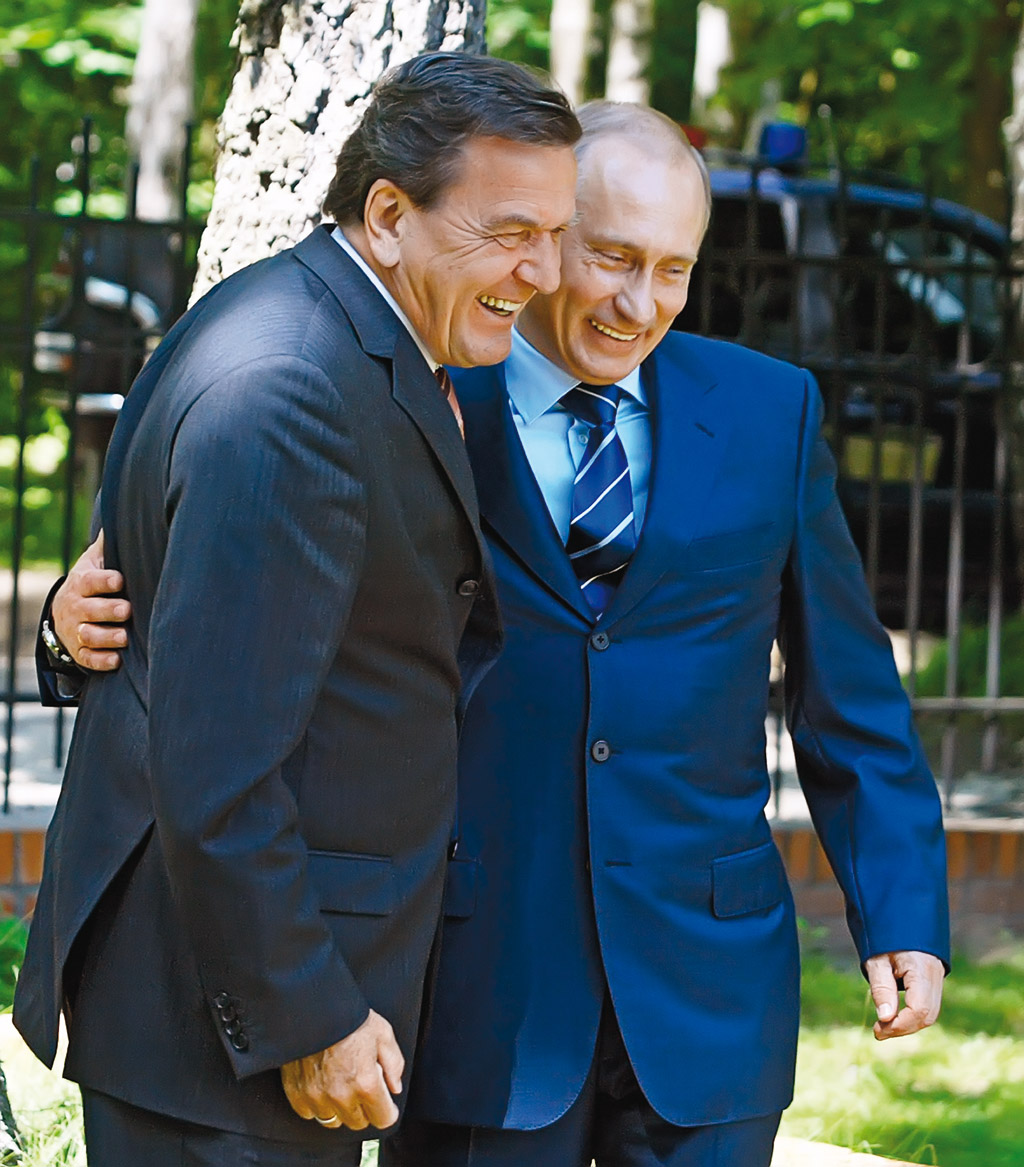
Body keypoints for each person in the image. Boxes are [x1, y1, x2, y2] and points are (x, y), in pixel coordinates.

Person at [43, 102, 949, 1167]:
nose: (640, 303)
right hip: (476, 992)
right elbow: (219, 594)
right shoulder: (403, 391)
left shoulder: (770, 410)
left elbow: (849, 691)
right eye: (611, 258)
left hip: (710, 989)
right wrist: (67, 623)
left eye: (673, 270)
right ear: (551, 238)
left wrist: (899, 908)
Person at [14, 52, 579, 1167]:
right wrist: (307, 1014)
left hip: (251, 1019)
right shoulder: (292, 387)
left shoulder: (336, 330)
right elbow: (218, 762)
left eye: (557, 234)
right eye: (512, 232)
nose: (545, 271)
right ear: (390, 216)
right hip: (225, 1043)